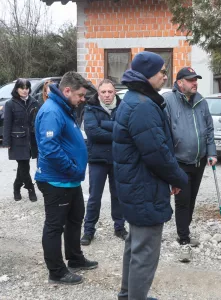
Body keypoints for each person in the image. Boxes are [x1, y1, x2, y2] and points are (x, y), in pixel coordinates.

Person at [113, 51, 188, 300]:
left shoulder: (138, 99)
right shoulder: (142, 106)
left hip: (139, 185)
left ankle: (128, 294)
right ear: (148, 75)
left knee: (135, 243)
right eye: (162, 71)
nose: (165, 76)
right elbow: (157, 153)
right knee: (144, 252)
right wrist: (178, 178)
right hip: (144, 187)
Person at [35, 72, 98, 285]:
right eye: (80, 95)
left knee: (75, 218)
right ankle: (56, 271)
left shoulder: (64, 107)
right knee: (55, 226)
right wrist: (71, 167)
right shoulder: (52, 111)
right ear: (67, 90)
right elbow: (49, 147)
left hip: (69, 179)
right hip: (56, 180)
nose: (83, 99)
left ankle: (75, 258)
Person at [162, 67, 217, 263]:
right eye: (191, 80)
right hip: (179, 160)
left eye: (196, 79)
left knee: (192, 198)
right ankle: (183, 238)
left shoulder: (201, 101)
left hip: (199, 160)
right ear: (180, 83)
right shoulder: (169, 101)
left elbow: (209, 129)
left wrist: (211, 152)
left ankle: (185, 230)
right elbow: (164, 131)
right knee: (183, 200)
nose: (195, 83)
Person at [80, 79, 127, 246]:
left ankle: (120, 227)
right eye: (103, 92)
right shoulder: (90, 107)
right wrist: (116, 132)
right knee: (94, 197)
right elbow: (92, 133)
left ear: (115, 92)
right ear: (98, 93)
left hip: (118, 158)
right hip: (97, 159)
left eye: (110, 92)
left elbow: (126, 129)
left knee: (118, 195)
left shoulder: (123, 106)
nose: (107, 95)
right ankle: (88, 230)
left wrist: (104, 124)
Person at [2, 78, 39, 201]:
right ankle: (30, 189)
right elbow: (7, 124)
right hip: (17, 140)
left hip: (30, 140)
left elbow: (37, 121)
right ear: (16, 89)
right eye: (22, 88)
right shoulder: (10, 104)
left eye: (27, 88)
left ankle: (16, 186)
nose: (25, 90)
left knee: (23, 167)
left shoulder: (33, 102)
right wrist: (6, 142)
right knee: (24, 166)